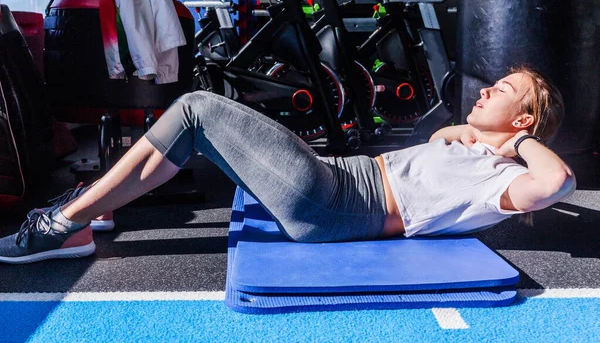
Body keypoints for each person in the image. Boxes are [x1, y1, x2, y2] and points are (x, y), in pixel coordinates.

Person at [0, 66, 576, 264]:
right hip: (336, 177)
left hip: (336, 202)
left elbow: (558, 182)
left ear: (524, 123)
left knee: (198, 110)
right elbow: (452, 130)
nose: (483, 92)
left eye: (500, 90)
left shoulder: (501, 179)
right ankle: (84, 212)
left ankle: (63, 226)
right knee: (195, 124)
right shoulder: (473, 147)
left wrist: (514, 148)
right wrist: (478, 133)